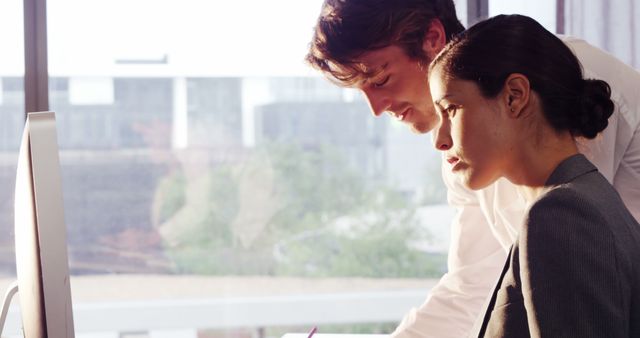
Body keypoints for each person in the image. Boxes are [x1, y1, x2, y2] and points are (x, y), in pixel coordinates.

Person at [305, 1, 640, 337]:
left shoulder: (559, 89)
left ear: (432, 38)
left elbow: (574, 275)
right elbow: (472, 287)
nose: (375, 108)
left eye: (379, 79)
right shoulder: (471, 154)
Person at [428, 14, 640, 337]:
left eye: (451, 109)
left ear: (514, 95)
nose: (439, 140)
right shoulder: (583, 200)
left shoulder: (561, 215)